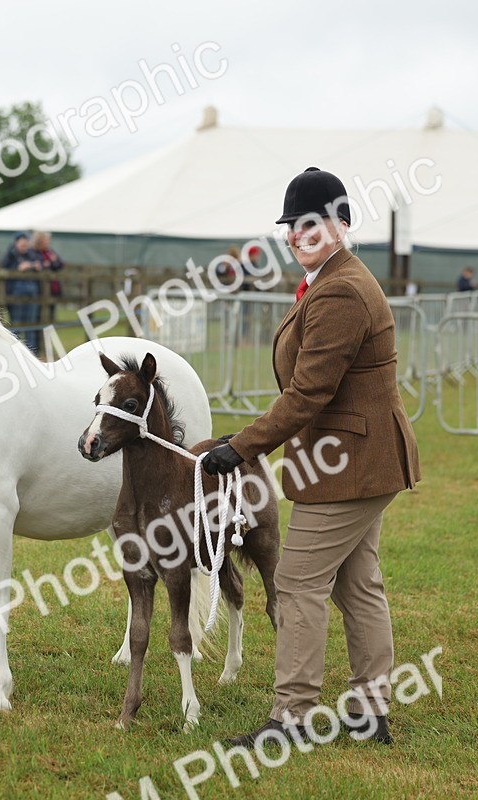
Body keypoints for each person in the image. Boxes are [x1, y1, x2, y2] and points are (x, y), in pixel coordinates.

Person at [202, 167, 421, 749]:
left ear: (341, 225)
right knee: (358, 583)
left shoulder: (342, 290)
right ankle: (370, 711)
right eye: (291, 228)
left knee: (297, 582)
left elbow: (307, 393)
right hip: (357, 456)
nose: (299, 236)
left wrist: (239, 448)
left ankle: (292, 718)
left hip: (351, 461)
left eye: (311, 225)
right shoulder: (330, 281)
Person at [2, 232, 44, 353]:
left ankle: (32, 353)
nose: (24, 245)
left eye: (26, 243)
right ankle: (13, 351)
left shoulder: (31, 254)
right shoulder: (10, 255)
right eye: (22, 242)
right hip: (15, 293)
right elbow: (4, 268)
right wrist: (20, 267)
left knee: (31, 323)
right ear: (16, 243)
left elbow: (40, 264)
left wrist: (31, 265)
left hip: (32, 294)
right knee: (16, 323)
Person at [31, 230, 64, 323]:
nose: (48, 242)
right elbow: (39, 266)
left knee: (50, 315)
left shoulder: (49, 251)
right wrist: (49, 263)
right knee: (39, 316)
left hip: (52, 288)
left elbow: (59, 264)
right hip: (40, 288)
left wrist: (51, 263)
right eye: (47, 240)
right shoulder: (33, 252)